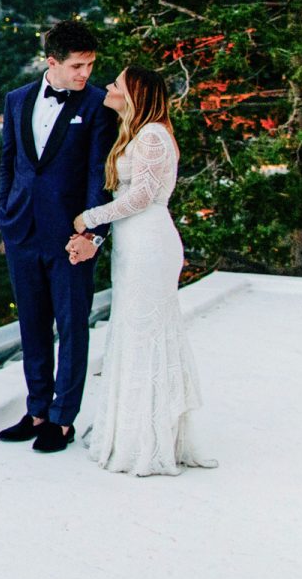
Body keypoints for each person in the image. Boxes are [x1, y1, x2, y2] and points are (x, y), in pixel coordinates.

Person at [72, 66, 216, 476]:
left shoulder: (152, 136)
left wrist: (89, 217)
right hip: (133, 245)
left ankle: (145, 439)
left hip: (150, 244)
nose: (110, 87)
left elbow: (142, 197)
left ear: (134, 94)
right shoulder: (138, 133)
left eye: (117, 84)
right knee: (134, 331)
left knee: (146, 334)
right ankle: (134, 429)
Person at [0, 20, 118, 452]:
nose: (86, 73)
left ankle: (63, 419)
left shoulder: (101, 104)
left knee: (71, 326)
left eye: (90, 65)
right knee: (31, 326)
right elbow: (9, 162)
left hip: (71, 236)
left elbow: (98, 175)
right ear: (52, 62)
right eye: (78, 65)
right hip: (22, 231)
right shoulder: (17, 100)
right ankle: (37, 410)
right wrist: (4, 215)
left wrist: (93, 233)